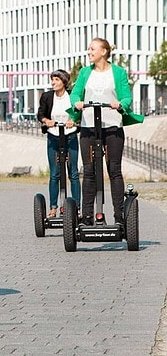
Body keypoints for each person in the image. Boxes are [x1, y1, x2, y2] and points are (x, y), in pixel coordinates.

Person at [69, 38, 143, 225]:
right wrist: (77, 102)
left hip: (112, 126)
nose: (89, 52)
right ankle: (87, 217)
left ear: (103, 51)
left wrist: (121, 104)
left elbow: (126, 97)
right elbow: (75, 93)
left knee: (114, 171)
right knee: (89, 171)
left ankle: (119, 217)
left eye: (92, 49)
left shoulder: (118, 72)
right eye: (89, 49)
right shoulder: (85, 72)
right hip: (88, 127)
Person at [36, 69, 80, 218]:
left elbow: (79, 113)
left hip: (70, 136)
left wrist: (73, 121)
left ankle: (76, 207)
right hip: (54, 136)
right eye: (52, 80)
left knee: (73, 173)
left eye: (56, 80)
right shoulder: (48, 97)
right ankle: (53, 208)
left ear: (64, 81)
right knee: (54, 174)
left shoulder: (72, 96)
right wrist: (47, 121)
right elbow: (40, 113)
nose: (53, 83)